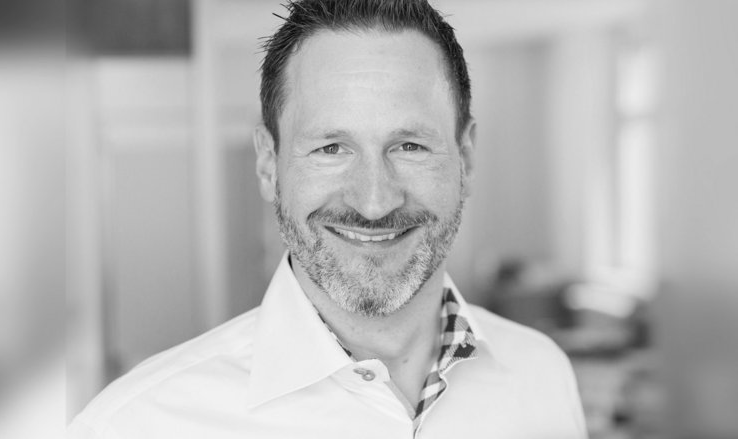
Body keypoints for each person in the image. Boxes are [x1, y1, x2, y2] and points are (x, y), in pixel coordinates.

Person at [68, 1, 588, 437]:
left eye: (409, 146)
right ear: (268, 164)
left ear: (466, 159)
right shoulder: (132, 425)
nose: (374, 202)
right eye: (331, 148)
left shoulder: (542, 376)